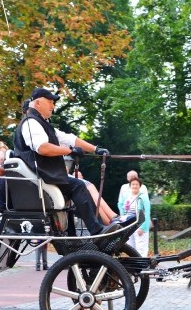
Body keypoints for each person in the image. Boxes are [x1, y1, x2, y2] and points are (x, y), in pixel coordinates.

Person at [12, 87, 119, 237]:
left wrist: (95, 149)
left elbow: (69, 138)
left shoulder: (42, 123)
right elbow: (43, 148)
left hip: (45, 176)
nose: (52, 106)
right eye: (49, 101)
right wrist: (70, 150)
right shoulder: (31, 123)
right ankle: (97, 230)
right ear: (37, 103)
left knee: (75, 187)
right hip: (38, 179)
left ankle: (74, 235)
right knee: (78, 186)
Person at [118, 177, 151, 255]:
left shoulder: (143, 197)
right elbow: (121, 206)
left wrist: (143, 227)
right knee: (131, 247)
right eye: (133, 184)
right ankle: (134, 265)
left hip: (140, 225)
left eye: (136, 184)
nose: (135, 186)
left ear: (140, 186)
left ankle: (142, 265)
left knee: (141, 247)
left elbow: (146, 212)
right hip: (130, 226)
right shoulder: (127, 197)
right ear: (130, 186)